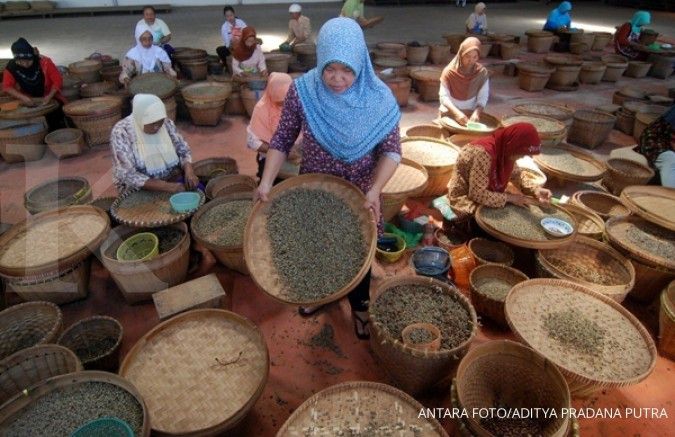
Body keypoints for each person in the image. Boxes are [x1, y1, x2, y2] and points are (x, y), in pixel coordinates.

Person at [254, 17, 401, 339]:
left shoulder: (378, 98)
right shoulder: (304, 92)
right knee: (317, 244)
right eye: (330, 69)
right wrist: (266, 182)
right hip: (315, 186)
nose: (337, 79)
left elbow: (392, 151)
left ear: (360, 63)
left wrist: (376, 190)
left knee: (358, 248)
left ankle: (360, 304)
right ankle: (323, 292)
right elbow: (281, 139)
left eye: (347, 70)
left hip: (362, 191)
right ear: (320, 62)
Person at [447, 123, 552, 217]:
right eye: (522, 153)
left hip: (489, 194)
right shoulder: (483, 154)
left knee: (518, 212)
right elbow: (477, 194)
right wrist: (510, 198)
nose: (523, 157)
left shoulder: (506, 150)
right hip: (465, 198)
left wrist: (535, 190)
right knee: (500, 220)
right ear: (513, 145)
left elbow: (516, 175)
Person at [111, 94, 199, 194]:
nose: (157, 127)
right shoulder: (122, 131)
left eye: (160, 122)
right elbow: (128, 174)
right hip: (141, 187)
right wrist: (166, 187)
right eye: (152, 123)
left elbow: (183, 150)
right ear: (140, 118)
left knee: (199, 192)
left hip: (171, 178)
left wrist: (189, 171)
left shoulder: (166, 123)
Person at [2, 37, 65, 129]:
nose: (25, 64)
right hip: (27, 98)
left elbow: (57, 80)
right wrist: (23, 98)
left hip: (48, 95)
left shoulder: (44, 62)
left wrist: (49, 96)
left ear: (33, 57)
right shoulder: (11, 67)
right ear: (16, 59)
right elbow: (7, 86)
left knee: (54, 113)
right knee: (22, 119)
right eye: (21, 61)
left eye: (28, 61)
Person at [247, 72, 300, 182]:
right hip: (268, 157)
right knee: (271, 185)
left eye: (287, 100)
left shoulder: (296, 103)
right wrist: (280, 151)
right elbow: (252, 142)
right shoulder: (261, 109)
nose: (284, 105)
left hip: (293, 156)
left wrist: (296, 148)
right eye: (279, 103)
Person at [439, 37, 489, 127]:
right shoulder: (449, 72)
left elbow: (483, 97)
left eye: (475, 57)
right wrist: (456, 113)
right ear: (461, 54)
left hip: (470, 114)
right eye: (467, 56)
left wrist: (477, 112)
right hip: (449, 111)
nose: (471, 61)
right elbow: (443, 97)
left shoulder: (481, 73)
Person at [635, 105, 675, 188]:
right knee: (671, 159)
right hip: (656, 139)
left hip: (669, 141)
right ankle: (670, 196)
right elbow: (673, 140)